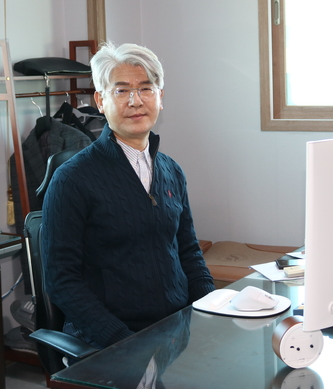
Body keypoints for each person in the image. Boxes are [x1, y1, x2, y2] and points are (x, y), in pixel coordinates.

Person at [42, 41, 215, 349]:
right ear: (100, 101)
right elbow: (61, 281)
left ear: (160, 97)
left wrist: (209, 312)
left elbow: (189, 252)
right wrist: (123, 343)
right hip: (109, 341)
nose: (136, 101)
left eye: (146, 89)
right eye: (121, 91)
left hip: (173, 332)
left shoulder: (171, 170)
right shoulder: (72, 179)